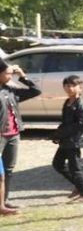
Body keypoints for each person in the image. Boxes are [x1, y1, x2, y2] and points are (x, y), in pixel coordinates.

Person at [0, 59, 41, 208]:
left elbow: (35, 91)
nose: (10, 76)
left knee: (8, 169)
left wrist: (22, 76)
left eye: (11, 73)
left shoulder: (10, 90)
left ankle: (4, 201)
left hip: (13, 134)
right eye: (7, 73)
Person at [52, 75, 83, 202]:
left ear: (80, 88)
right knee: (58, 164)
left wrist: (62, 133)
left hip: (74, 141)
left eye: (73, 85)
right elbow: (65, 122)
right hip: (65, 140)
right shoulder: (67, 102)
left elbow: (81, 125)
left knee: (75, 168)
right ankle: (80, 186)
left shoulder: (80, 104)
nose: (70, 88)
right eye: (67, 85)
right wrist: (57, 134)